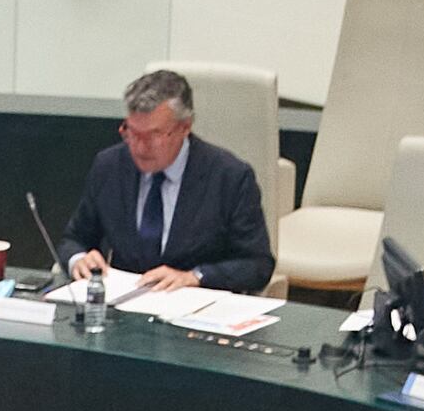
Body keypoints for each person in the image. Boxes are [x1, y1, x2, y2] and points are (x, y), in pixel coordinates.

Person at [59, 68, 273, 292]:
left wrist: (195, 276)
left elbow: (257, 265)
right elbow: (73, 239)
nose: (140, 147)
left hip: (192, 308)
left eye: (154, 135)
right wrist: (78, 259)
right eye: (132, 132)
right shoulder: (110, 166)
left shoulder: (229, 177)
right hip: (122, 309)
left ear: (185, 127)